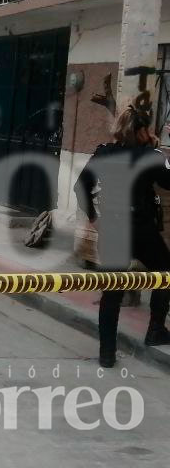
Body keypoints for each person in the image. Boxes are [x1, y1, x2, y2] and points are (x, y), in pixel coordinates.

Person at [75, 105, 170, 368]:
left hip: (113, 229)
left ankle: (107, 354)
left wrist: (95, 220)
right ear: (141, 131)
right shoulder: (149, 155)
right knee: (165, 275)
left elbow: (80, 187)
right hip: (141, 229)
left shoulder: (104, 152)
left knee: (112, 292)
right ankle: (155, 330)